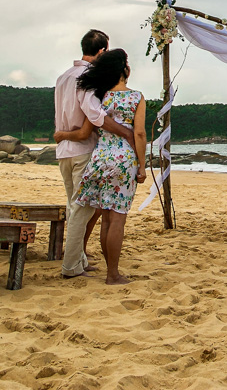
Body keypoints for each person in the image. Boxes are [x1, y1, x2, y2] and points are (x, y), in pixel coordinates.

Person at [52, 29, 136, 280]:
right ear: (101, 52)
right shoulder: (89, 77)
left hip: (64, 151)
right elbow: (95, 115)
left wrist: (65, 134)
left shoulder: (63, 76)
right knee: (82, 209)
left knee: (74, 206)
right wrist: (126, 133)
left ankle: (79, 259)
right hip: (82, 149)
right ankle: (70, 266)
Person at [68, 49, 147, 284]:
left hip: (100, 157)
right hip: (123, 160)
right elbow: (140, 133)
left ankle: (110, 270)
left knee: (105, 218)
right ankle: (113, 274)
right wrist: (142, 166)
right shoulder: (136, 97)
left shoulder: (101, 96)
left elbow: (94, 124)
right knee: (118, 219)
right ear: (125, 71)